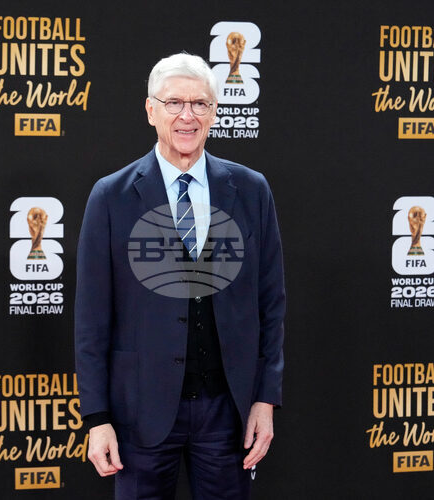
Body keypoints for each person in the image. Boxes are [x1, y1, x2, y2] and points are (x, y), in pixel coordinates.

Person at [75, 53, 285, 499]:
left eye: (199, 104)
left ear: (214, 112)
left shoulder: (251, 190)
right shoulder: (111, 196)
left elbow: (271, 303)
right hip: (140, 413)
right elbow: (91, 319)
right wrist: (97, 418)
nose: (187, 116)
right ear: (151, 110)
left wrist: (265, 399)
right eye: (173, 103)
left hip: (227, 413)